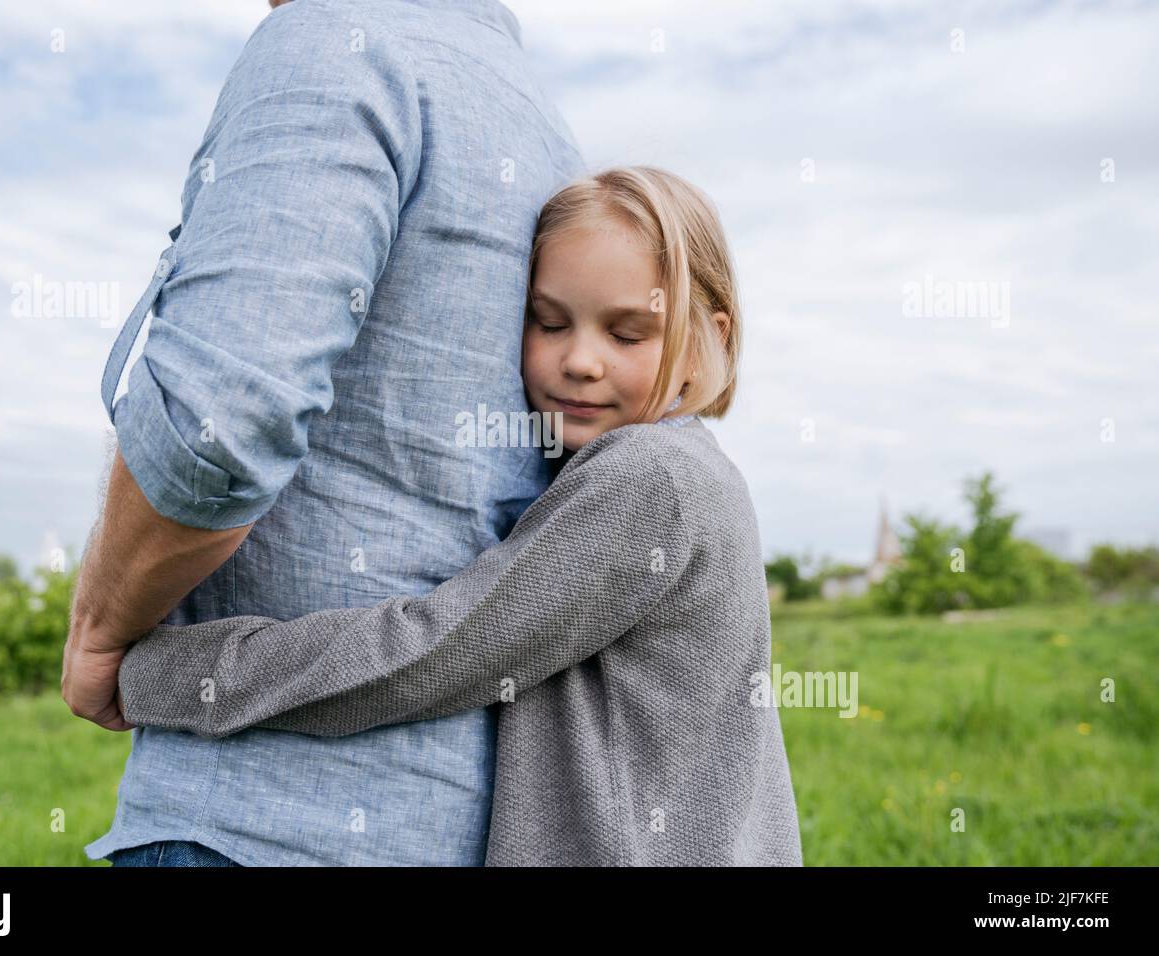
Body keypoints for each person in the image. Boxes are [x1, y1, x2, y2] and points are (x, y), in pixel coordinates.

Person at [116, 166, 805, 866]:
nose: (581, 361)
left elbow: (432, 652)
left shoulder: (649, 479)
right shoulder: (693, 468)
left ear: (704, 339)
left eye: (629, 334)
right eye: (549, 322)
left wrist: (165, 674)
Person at [68, 0, 587, 866]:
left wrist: (98, 628)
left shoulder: (334, 39)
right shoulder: (539, 116)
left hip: (258, 821)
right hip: (465, 821)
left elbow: (217, 431)